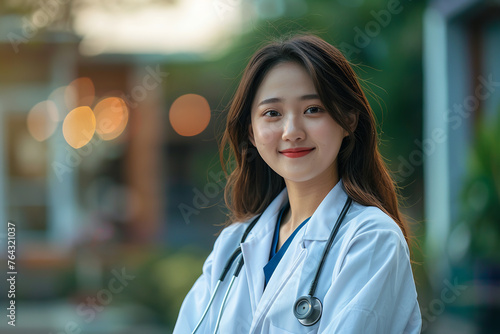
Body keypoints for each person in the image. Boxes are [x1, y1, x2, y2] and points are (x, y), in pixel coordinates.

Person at [173, 34, 422, 333]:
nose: (292, 131)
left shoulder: (371, 239)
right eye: (272, 113)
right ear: (251, 132)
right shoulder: (233, 245)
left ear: (349, 120)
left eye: (313, 109)